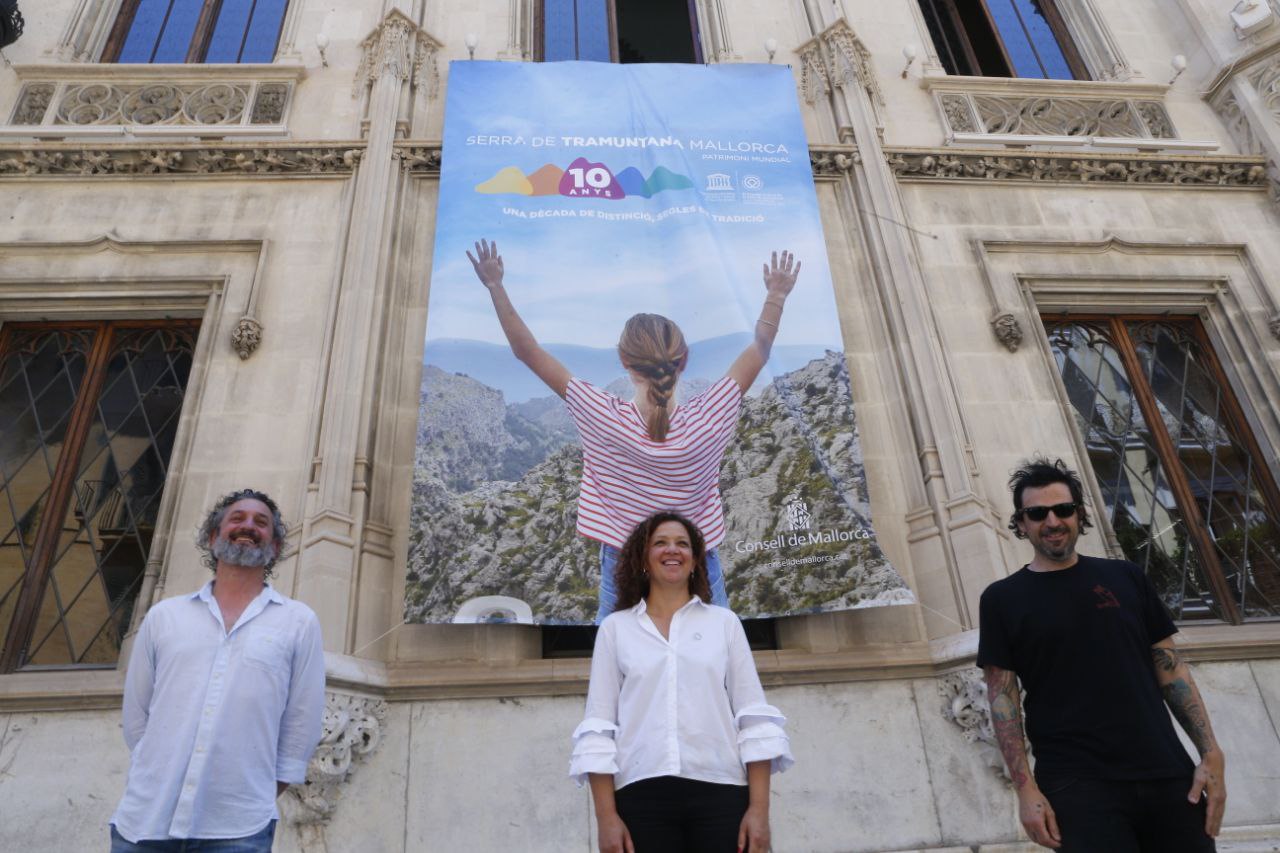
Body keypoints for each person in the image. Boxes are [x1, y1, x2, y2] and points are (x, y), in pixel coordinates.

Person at [467, 238, 801, 621]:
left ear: (625, 362)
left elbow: (528, 351)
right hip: (695, 561)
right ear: (684, 362)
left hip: (623, 562)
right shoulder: (711, 415)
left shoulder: (601, 414)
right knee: (714, 652)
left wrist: (495, 285)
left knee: (618, 660)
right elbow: (759, 349)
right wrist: (776, 294)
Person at [977, 458, 1227, 852]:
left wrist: (1211, 754)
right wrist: (1025, 792)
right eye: (1038, 513)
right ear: (1021, 523)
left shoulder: (1126, 577)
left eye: (1063, 509)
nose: (1053, 521)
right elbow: (1002, 700)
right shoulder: (1001, 600)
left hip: (1167, 774)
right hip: (1077, 789)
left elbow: (1172, 671)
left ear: (1079, 514)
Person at [109, 489, 326, 852]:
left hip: (238, 827)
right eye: (237, 518)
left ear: (273, 547)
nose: (248, 526)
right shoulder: (166, 616)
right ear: (213, 538)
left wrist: (260, 791)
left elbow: (302, 719)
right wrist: (158, 768)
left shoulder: (298, 622)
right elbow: (136, 715)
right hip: (145, 820)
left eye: (261, 522)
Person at [569, 511, 793, 852]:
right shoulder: (616, 629)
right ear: (643, 559)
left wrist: (759, 811)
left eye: (682, 544)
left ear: (694, 561)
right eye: (660, 543)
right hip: (640, 798)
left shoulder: (725, 623)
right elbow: (599, 727)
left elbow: (754, 718)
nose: (672, 550)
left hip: (722, 793)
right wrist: (606, 818)